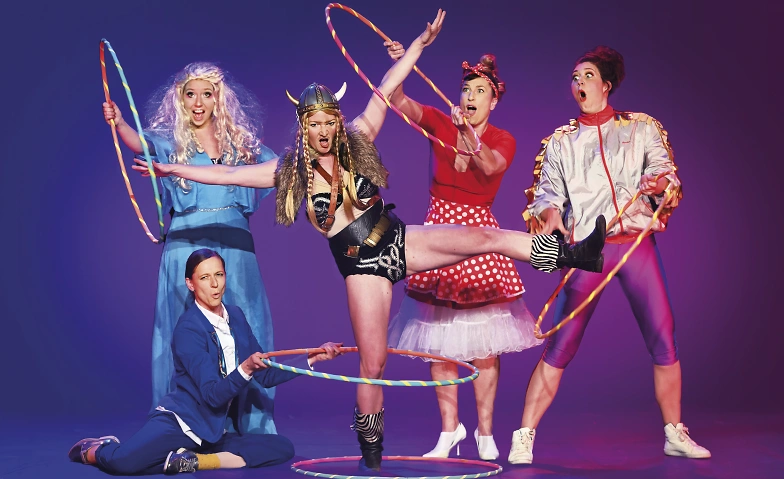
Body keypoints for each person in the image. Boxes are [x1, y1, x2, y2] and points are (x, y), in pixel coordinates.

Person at [134, 10, 606, 470]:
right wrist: (171, 168)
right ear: (304, 127)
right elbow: (227, 174)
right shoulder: (289, 170)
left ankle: (573, 254)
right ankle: (371, 447)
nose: (323, 131)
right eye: (314, 124)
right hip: (361, 267)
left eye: (329, 121)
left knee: (485, 236)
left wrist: (419, 45)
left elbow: (384, 89)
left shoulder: (358, 137)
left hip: (397, 240)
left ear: (338, 121)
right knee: (373, 365)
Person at [508, 45, 710, 465]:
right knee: (561, 344)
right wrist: (550, 215)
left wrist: (659, 183)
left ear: (606, 84)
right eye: (575, 77)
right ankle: (523, 436)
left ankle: (675, 432)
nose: (578, 83)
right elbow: (547, 194)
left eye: (587, 75)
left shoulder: (641, 128)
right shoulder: (560, 142)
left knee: (664, 337)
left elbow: (665, 171)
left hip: (635, 246)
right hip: (588, 253)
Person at [383, 45, 540, 460]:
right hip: (437, 233)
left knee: (484, 346)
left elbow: (489, 166)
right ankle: (449, 430)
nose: (470, 97)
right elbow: (394, 98)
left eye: (479, 91)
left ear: (493, 101)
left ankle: (485, 432)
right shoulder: (440, 121)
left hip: (478, 236)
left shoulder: (502, 138)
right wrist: (404, 61)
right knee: (438, 342)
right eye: (466, 90)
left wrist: (466, 132)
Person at [103, 62, 279, 433]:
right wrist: (119, 122)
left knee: (246, 321)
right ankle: (180, 422)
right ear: (180, 99)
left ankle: (251, 423)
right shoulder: (172, 141)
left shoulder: (241, 143)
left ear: (219, 99)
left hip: (235, 244)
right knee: (184, 329)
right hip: (187, 242)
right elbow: (139, 143)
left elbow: (282, 169)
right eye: (190, 94)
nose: (198, 102)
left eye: (206, 94)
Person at [68, 249, 342, 475]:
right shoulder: (188, 329)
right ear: (191, 283)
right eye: (205, 277)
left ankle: (195, 461)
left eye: (219, 275)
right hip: (182, 423)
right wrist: (245, 367)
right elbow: (212, 395)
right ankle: (97, 448)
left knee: (281, 447)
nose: (214, 285)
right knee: (124, 463)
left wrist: (312, 358)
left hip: (214, 433)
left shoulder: (236, 315)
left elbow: (266, 375)